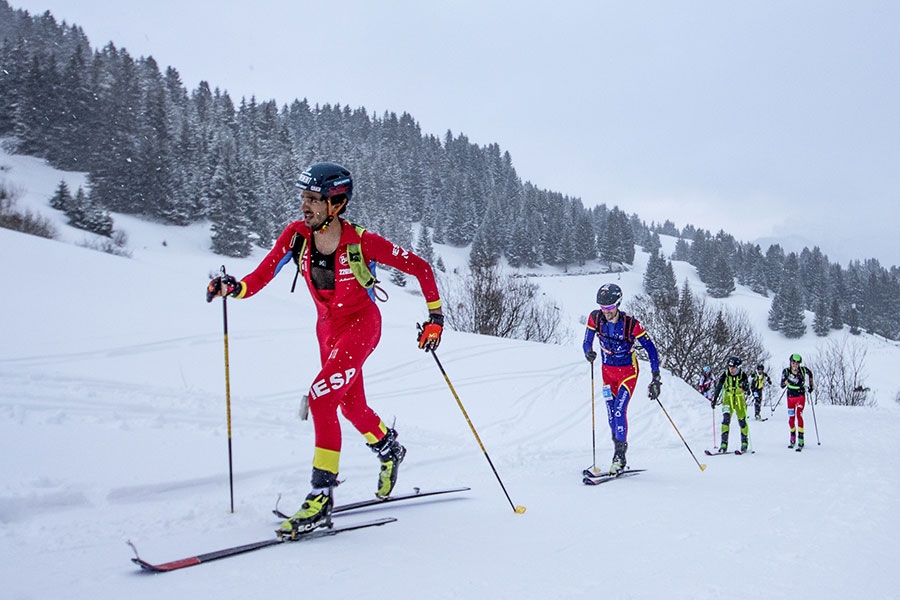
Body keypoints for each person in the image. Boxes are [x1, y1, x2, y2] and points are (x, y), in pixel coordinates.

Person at [206, 162, 444, 538]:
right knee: (351, 407)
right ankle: (389, 449)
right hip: (328, 333)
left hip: (362, 328)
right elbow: (263, 274)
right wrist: (233, 288)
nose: (306, 206)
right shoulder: (296, 235)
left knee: (320, 398)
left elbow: (421, 267)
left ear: (337, 204)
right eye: (303, 198)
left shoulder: (363, 241)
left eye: (315, 200)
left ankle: (321, 497)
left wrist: (435, 318)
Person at [582, 283, 661, 474]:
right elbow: (586, 342)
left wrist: (656, 377)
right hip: (607, 374)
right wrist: (589, 352)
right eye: (603, 307)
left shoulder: (631, 325)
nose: (606, 312)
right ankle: (617, 449)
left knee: (619, 410)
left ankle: (620, 456)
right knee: (611, 415)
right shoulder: (595, 318)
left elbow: (651, 350)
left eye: (609, 308)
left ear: (618, 304)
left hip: (628, 372)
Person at [710, 356, 752, 453]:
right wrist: (715, 399)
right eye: (730, 367)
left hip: (739, 400)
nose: (731, 370)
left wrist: (745, 388)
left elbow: (747, 390)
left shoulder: (742, 375)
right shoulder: (725, 374)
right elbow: (719, 386)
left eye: (733, 368)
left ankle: (744, 442)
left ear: (738, 367)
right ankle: (723, 444)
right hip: (727, 399)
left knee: (742, 421)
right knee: (725, 420)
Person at [780, 354, 814, 449]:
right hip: (790, 396)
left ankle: (801, 438)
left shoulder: (803, 370)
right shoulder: (786, 371)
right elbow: (782, 385)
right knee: (791, 418)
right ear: (790, 363)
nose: (795, 365)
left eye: (797, 364)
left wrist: (811, 385)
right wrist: (788, 381)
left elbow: (810, 373)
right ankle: (792, 436)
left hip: (800, 396)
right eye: (793, 363)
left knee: (799, 415)